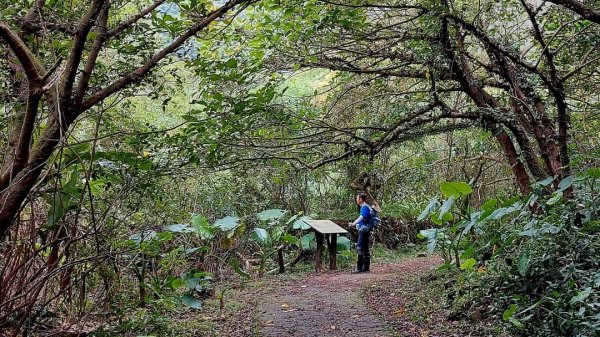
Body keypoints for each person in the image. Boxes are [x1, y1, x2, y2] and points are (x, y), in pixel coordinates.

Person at [348, 192, 371, 273]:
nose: (356, 200)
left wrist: (353, 223)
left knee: (359, 247)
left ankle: (359, 268)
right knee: (365, 248)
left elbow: (361, 217)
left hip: (363, 231)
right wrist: (357, 225)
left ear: (361, 199)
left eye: (357, 198)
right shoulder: (365, 207)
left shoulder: (364, 207)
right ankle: (366, 268)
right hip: (365, 230)